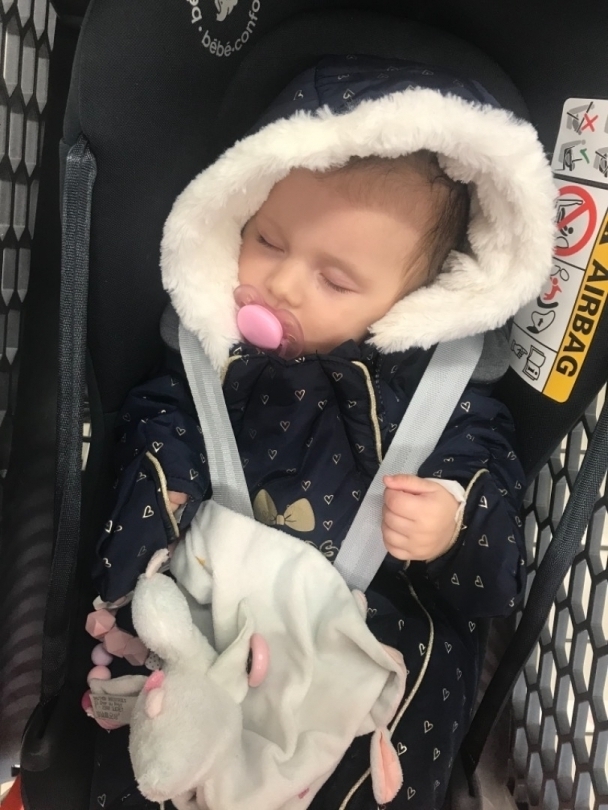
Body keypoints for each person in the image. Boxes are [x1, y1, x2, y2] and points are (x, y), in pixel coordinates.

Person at [87, 55, 555, 810]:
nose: (282, 283)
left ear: (419, 300)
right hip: (215, 625)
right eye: (267, 241)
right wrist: (154, 511)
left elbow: (494, 575)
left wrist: (453, 526)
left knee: (407, 706)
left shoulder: (444, 398)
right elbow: (159, 422)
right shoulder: (208, 357)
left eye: (335, 280)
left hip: (365, 635)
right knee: (145, 734)